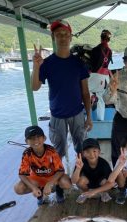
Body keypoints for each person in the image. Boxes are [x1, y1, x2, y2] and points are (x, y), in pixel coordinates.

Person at [31, 19, 93, 159]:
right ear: (53, 37)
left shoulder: (79, 63)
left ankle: (80, 174)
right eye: (59, 34)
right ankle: (59, 178)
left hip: (77, 114)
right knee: (59, 152)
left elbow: (85, 92)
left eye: (66, 34)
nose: (63, 37)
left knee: (82, 148)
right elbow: (35, 87)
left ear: (71, 37)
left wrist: (89, 117)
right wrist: (36, 67)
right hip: (57, 115)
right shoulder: (46, 63)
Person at [14, 126, 72, 205]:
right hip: (37, 179)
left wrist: (50, 183)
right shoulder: (27, 153)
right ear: (26, 141)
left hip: (52, 177)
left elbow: (60, 170)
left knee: (66, 183)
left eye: (38, 137)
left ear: (44, 138)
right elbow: (22, 174)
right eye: (31, 138)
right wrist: (33, 187)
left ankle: (58, 190)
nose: (35, 140)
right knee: (18, 188)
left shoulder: (51, 151)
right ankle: (39, 192)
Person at [71, 138, 113, 204]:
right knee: (81, 180)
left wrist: (94, 191)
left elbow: (111, 184)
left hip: (100, 185)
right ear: (83, 154)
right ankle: (85, 193)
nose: (91, 154)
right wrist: (78, 169)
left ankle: (103, 193)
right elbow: (73, 181)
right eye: (87, 152)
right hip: (88, 184)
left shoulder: (104, 163)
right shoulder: (81, 162)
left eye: (94, 151)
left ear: (99, 152)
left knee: (106, 182)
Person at [88, 29, 113, 121]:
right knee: (101, 98)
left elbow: (91, 65)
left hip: (95, 76)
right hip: (106, 77)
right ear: (109, 40)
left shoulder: (95, 50)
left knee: (85, 89)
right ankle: (100, 119)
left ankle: (91, 96)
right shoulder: (110, 51)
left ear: (101, 38)